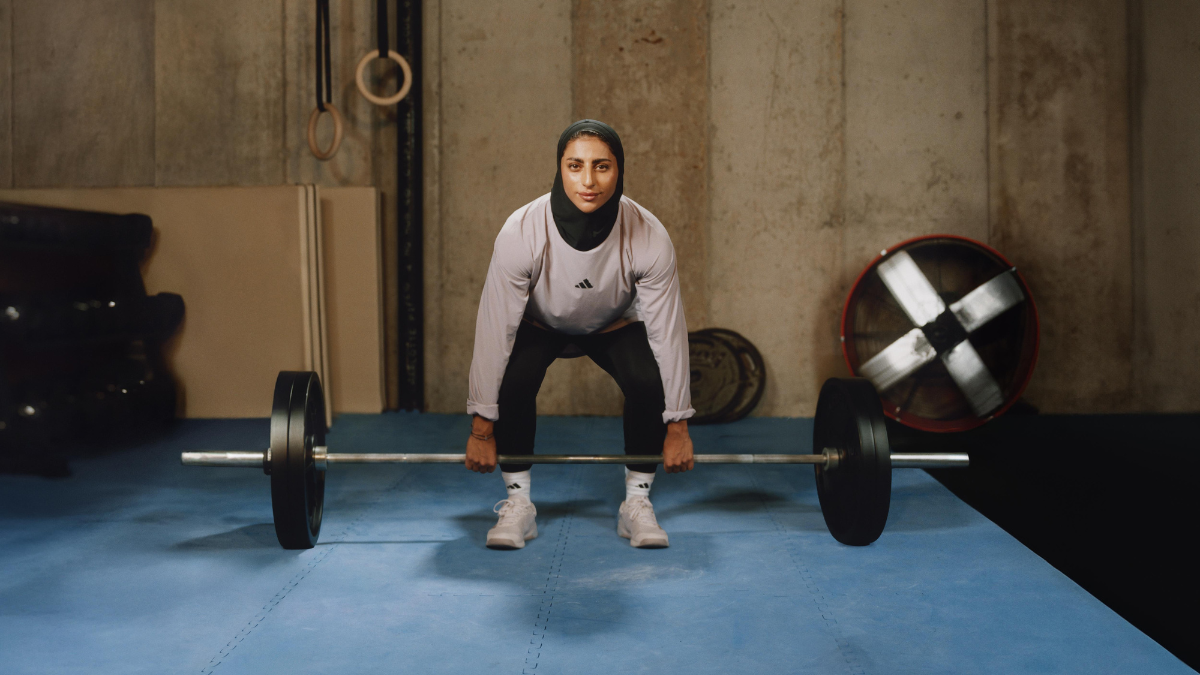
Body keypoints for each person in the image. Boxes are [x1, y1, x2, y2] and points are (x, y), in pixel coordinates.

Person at [465, 119, 695, 550]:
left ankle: (637, 503)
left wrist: (678, 423)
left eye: (602, 167)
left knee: (649, 381)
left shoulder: (649, 235)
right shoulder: (521, 231)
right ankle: (519, 504)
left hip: (613, 322)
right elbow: (495, 329)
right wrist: (481, 429)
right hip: (539, 321)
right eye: (575, 166)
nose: (588, 181)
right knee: (513, 380)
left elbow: (669, 332)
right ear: (559, 168)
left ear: (619, 170)